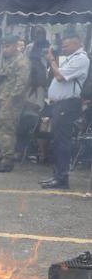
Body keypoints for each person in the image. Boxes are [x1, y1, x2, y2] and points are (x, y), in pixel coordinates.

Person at [40, 31, 90, 190]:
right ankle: (57, 175)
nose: (63, 47)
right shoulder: (71, 58)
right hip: (60, 104)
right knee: (57, 141)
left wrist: (51, 60)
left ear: (78, 43)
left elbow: (60, 76)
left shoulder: (81, 59)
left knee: (62, 142)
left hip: (68, 105)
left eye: (66, 45)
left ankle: (62, 178)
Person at [0, 36, 30, 174]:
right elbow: (3, 76)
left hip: (11, 101)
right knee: (1, 129)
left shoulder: (21, 62)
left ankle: (7, 161)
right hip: (3, 99)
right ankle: (4, 156)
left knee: (7, 130)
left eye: (7, 47)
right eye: (3, 47)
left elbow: (21, 85)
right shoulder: (9, 61)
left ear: (14, 46)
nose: (4, 50)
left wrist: (11, 101)